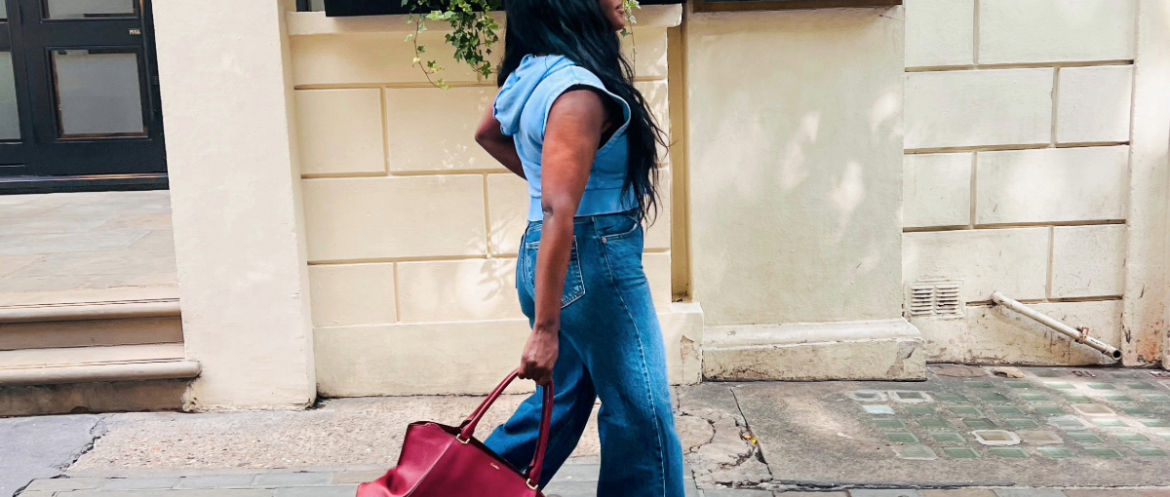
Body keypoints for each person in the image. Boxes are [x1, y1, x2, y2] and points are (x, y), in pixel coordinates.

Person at [473, 0, 686, 495]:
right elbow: (558, 211)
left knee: (563, 398)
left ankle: (465, 487)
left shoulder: (532, 71)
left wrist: (550, 184)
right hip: (593, 259)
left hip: (552, 258)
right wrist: (545, 330)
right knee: (641, 412)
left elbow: (487, 132)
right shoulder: (577, 90)